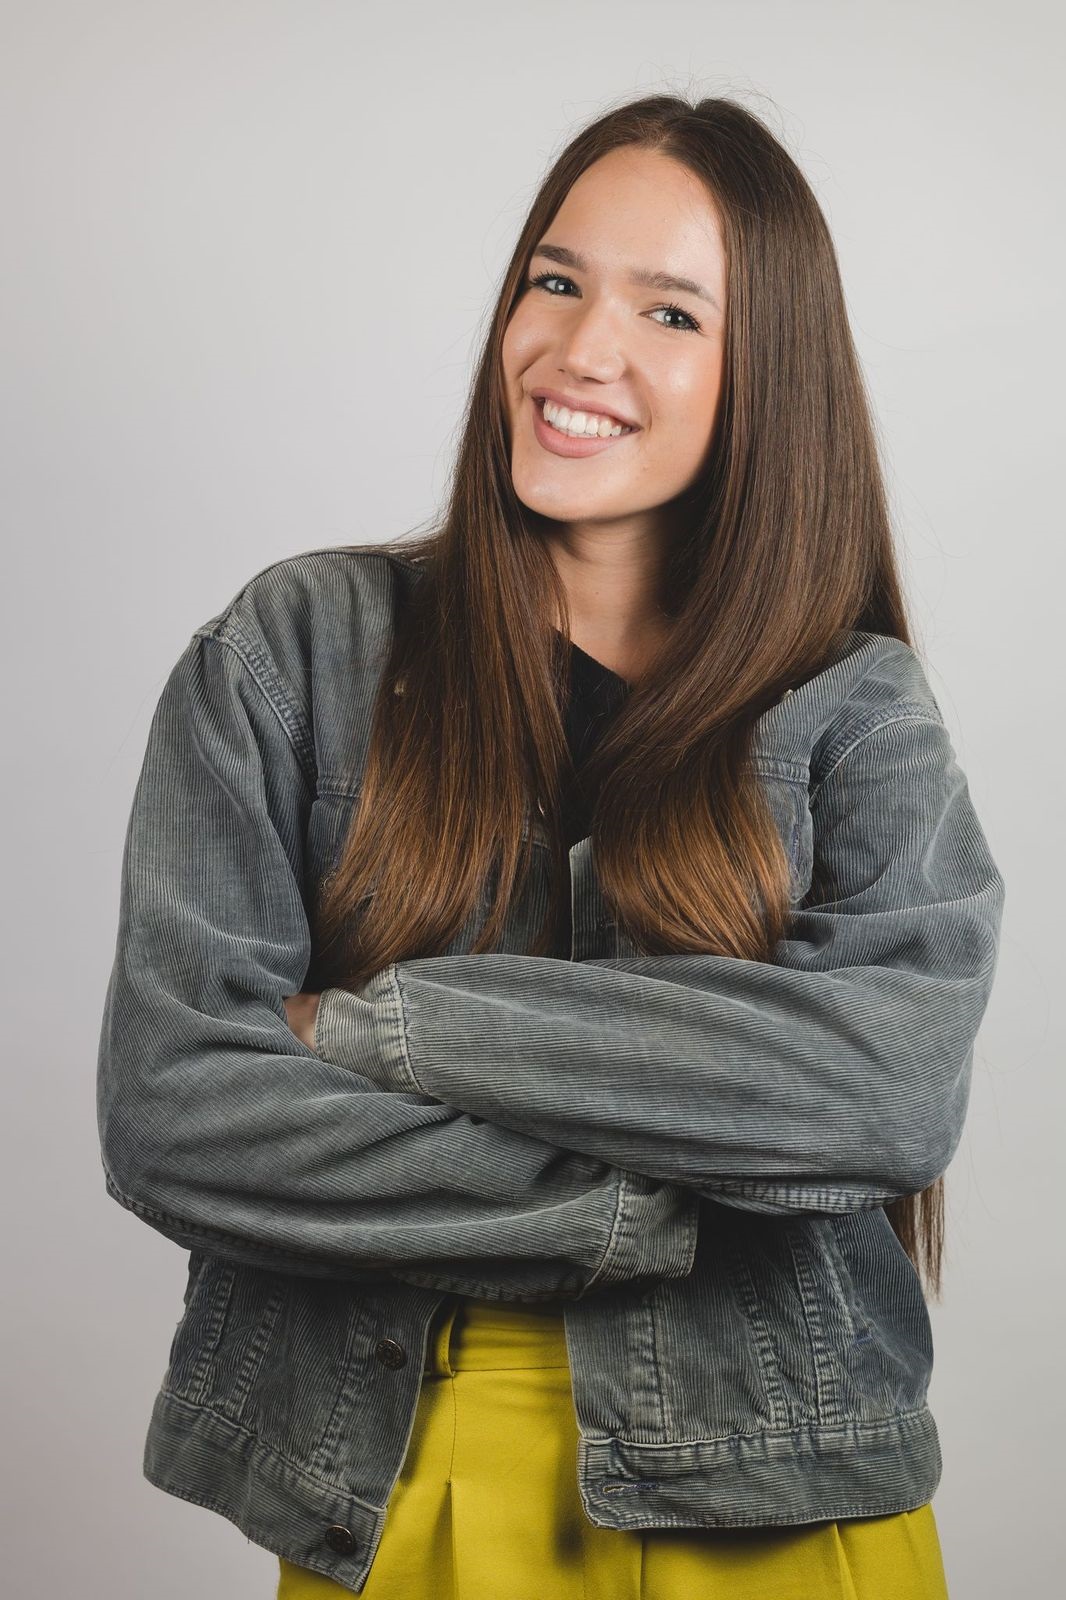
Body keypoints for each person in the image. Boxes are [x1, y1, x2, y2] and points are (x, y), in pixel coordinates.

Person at [96, 94, 1005, 1598]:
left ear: (766, 377)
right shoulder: (292, 652)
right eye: (556, 280)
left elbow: (887, 1088)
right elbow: (174, 1109)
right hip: (396, 1487)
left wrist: (386, 1030)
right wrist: (654, 1186)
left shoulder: (853, 710)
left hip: (778, 1509)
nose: (583, 349)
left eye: (670, 312)